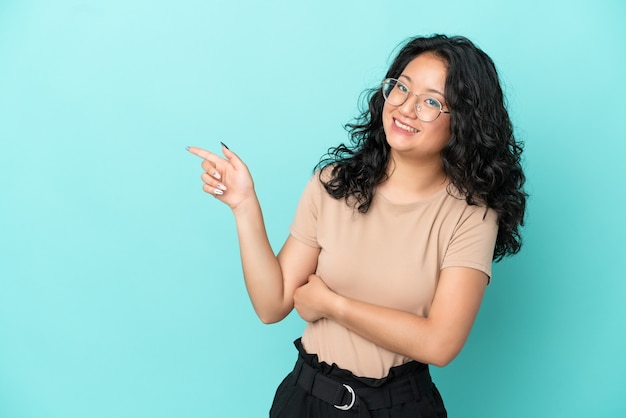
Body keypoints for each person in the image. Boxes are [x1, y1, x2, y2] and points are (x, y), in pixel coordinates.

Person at [187, 34, 526, 417]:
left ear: (463, 121)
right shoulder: (333, 184)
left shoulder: (471, 214)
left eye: (431, 101)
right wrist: (244, 205)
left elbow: (440, 344)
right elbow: (272, 304)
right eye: (401, 87)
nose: (406, 107)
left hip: (397, 406)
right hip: (306, 399)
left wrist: (333, 305)